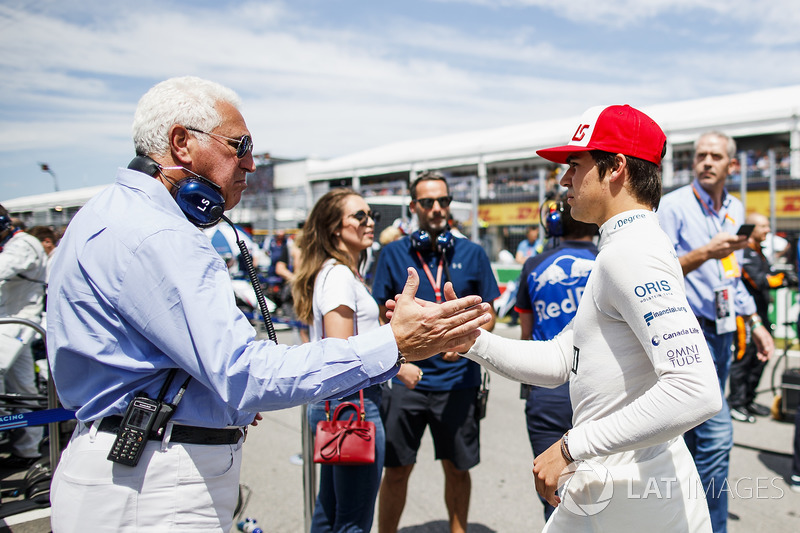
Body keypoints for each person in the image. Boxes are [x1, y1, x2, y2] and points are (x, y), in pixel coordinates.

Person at [45, 76, 493, 532]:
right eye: (239, 146)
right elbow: (246, 373)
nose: (251, 164)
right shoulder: (160, 234)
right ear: (182, 143)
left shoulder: (102, 215)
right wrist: (393, 345)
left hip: (129, 466)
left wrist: (221, 400)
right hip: (152, 484)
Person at [456, 105, 721, 531]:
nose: (564, 181)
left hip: (633, 490)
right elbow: (566, 359)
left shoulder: (630, 252)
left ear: (615, 167)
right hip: (616, 483)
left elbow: (696, 389)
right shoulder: (621, 248)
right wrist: (469, 340)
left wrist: (570, 447)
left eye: (574, 165)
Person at [658, 130, 774, 533]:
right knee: (717, 433)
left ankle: (686, 520)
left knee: (691, 437)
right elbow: (657, 272)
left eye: (715, 156)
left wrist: (755, 323)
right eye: (700, 156)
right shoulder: (672, 207)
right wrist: (705, 252)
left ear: (732, 165)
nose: (706, 162)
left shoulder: (735, 207)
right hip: (687, 334)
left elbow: (731, 276)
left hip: (724, 330)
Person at [372, 171, 500, 533]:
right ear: (414, 207)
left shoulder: (473, 253)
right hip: (407, 381)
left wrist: (464, 340)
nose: (437, 209)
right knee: (396, 470)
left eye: (443, 201)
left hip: (459, 381)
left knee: (458, 469)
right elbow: (378, 315)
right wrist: (396, 356)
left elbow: (488, 313)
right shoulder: (393, 253)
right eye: (427, 202)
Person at [291, 188, 385, 532]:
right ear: (335, 227)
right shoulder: (339, 276)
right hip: (352, 404)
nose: (369, 221)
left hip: (341, 404)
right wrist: (397, 353)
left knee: (330, 510)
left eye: (370, 214)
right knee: (352, 520)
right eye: (359, 216)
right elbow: (341, 353)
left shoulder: (341, 273)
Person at [513, 199, 598, 521]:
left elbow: (527, 332)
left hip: (547, 389)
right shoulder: (608, 260)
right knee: (607, 490)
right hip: (599, 390)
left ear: (554, 225)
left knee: (554, 490)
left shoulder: (534, 264)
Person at [0, 206, 47, 468]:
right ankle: (27, 449)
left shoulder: (23, 244)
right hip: (9, 324)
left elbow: (4, 268)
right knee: (23, 389)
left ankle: (27, 447)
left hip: (17, 324)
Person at [728, 213, 784, 423]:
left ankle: (748, 399)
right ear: (751, 229)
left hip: (761, 313)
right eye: (764, 226)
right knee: (744, 358)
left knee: (760, 358)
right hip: (745, 316)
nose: (768, 230)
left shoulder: (758, 251)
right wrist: (783, 279)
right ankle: (736, 403)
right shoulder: (744, 252)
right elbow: (761, 281)